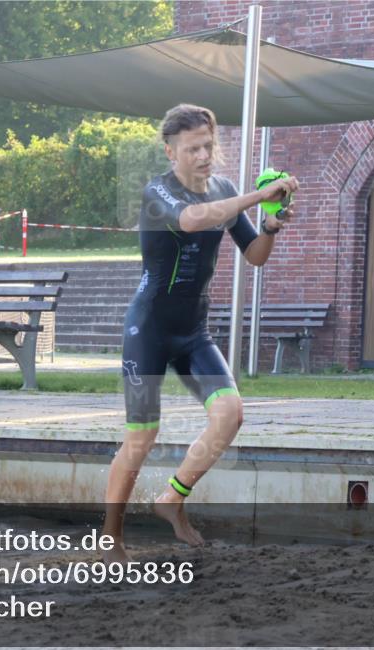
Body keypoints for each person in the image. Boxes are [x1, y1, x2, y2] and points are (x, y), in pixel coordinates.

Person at [102, 104, 299, 563]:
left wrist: (270, 225)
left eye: (209, 146)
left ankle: (172, 499)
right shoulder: (157, 191)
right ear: (171, 152)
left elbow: (255, 255)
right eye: (193, 149)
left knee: (230, 414)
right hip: (149, 329)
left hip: (192, 331)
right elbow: (193, 219)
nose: (204, 156)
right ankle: (110, 536)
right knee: (142, 437)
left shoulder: (225, 190)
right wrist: (258, 195)